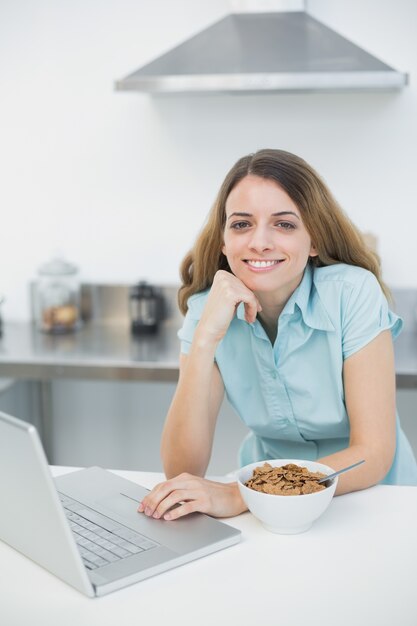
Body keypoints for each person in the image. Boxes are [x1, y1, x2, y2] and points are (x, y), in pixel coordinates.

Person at [138, 148, 417, 522]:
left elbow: (373, 451)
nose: (259, 242)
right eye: (241, 224)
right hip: (265, 512)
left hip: (368, 498)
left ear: (314, 240)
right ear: (223, 241)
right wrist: (205, 338)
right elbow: (182, 470)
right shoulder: (208, 309)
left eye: (284, 224)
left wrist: (244, 495)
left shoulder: (353, 293)